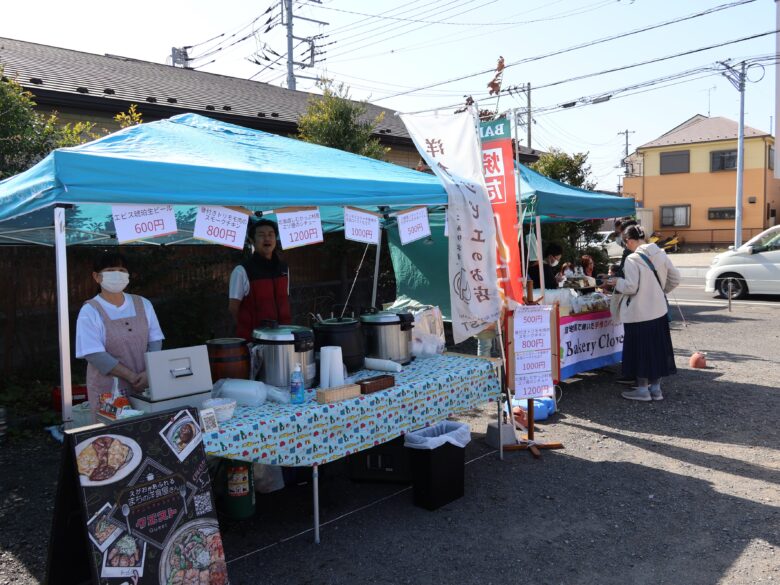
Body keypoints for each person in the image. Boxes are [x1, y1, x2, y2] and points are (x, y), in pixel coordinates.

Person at [75, 252, 165, 420]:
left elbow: (155, 340)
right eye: (110, 269)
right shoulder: (90, 311)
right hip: (108, 388)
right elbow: (94, 354)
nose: (117, 274)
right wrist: (131, 376)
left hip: (145, 383)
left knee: (148, 431)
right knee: (114, 439)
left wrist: (148, 372)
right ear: (96, 276)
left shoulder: (143, 303)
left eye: (122, 270)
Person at [606, 224, 680, 401]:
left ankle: (642, 390)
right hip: (659, 311)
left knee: (640, 351)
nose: (627, 246)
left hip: (638, 314)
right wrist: (659, 291)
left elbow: (631, 287)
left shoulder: (633, 259)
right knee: (656, 350)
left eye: (626, 243)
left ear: (630, 240)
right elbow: (675, 278)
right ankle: (656, 390)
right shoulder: (660, 253)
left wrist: (617, 282)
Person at [229, 219, 291, 340]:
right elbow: (233, 307)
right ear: (252, 240)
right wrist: (247, 327)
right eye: (261, 235)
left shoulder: (284, 268)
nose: (267, 238)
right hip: (255, 340)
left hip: (283, 337)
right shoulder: (242, 270)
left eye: (271, 234)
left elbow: (285, 299)